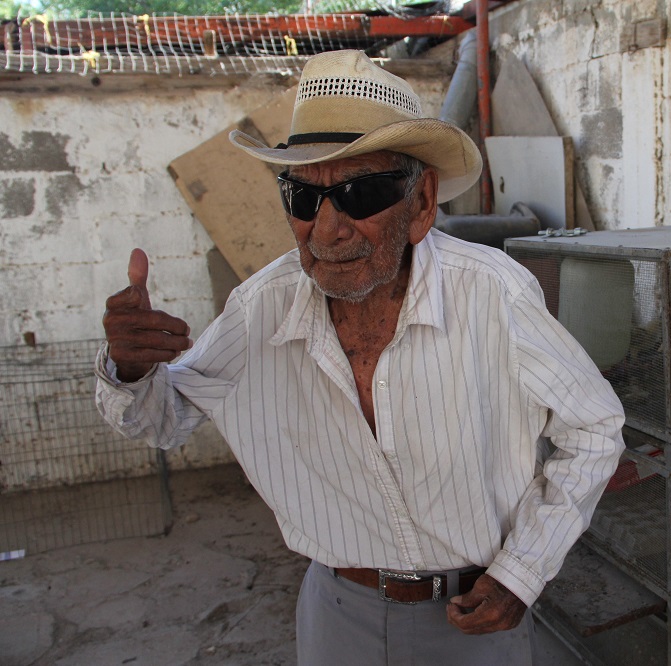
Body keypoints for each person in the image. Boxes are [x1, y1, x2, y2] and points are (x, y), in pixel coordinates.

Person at [96, 49, 625, 665]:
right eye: (301, 196)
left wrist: (524, 571)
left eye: (361, 191)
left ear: (422, 201)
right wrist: (129, 369)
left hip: (479, 616)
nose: (326, 229)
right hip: (338, 614)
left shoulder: (493, 294)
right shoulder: (261, 307)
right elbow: (159, 419)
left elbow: (594, 428)